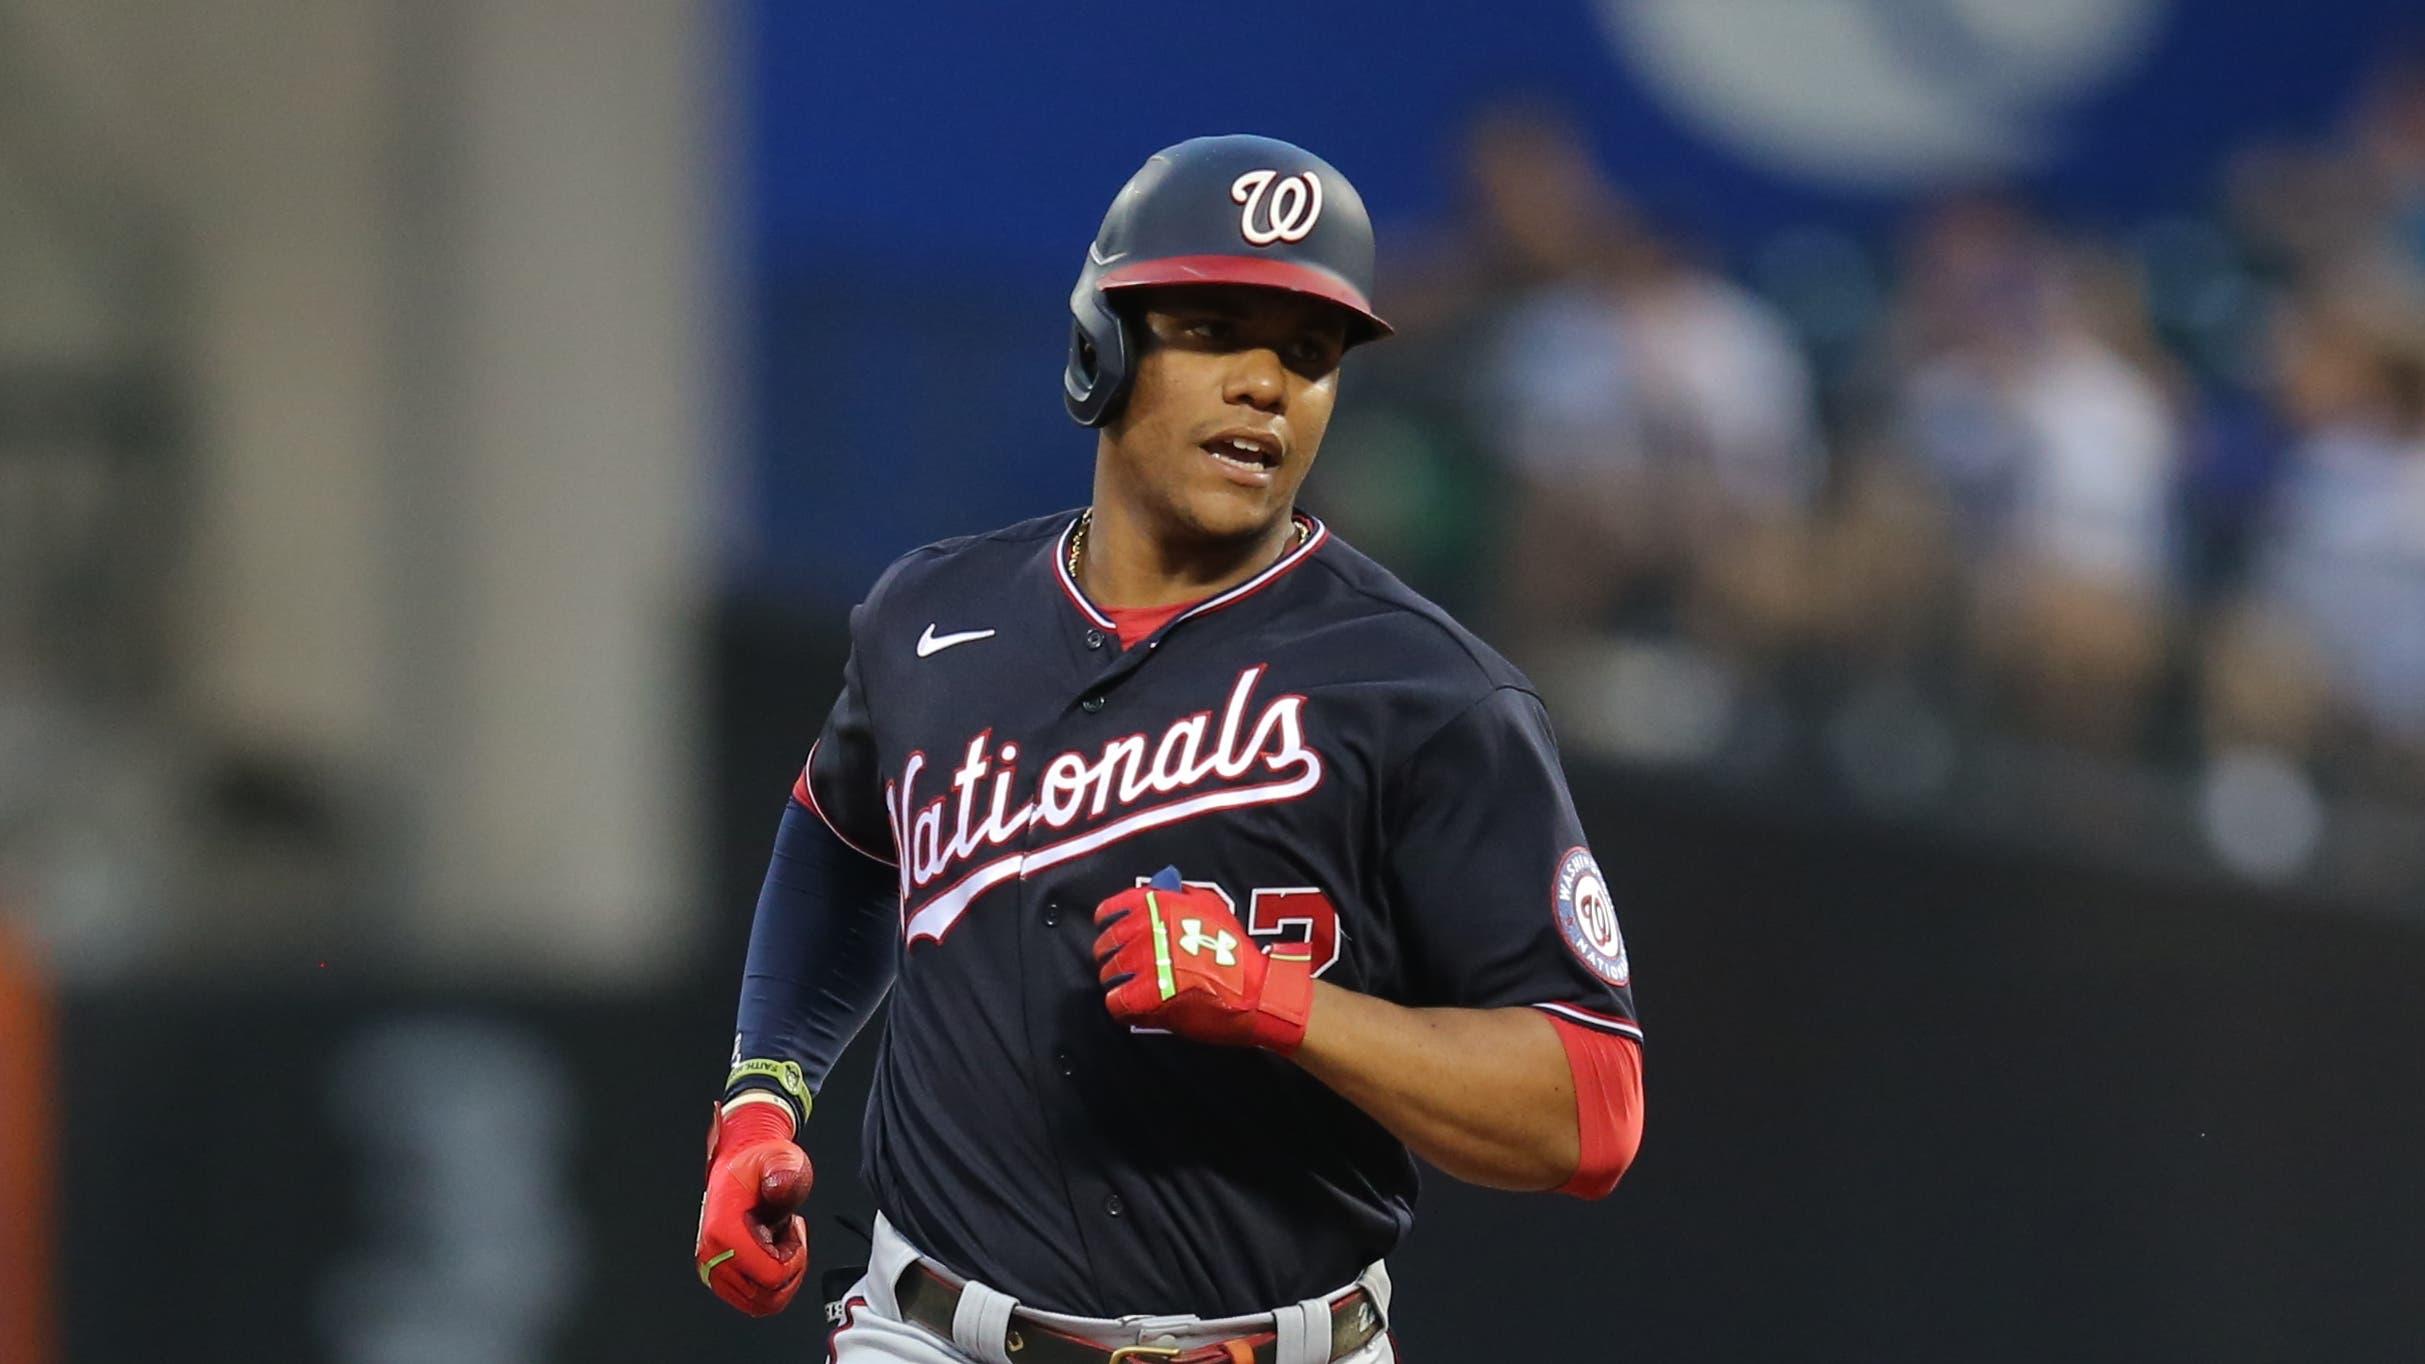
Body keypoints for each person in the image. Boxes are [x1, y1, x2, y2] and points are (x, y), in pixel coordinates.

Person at [694, 134, 1645, 1364]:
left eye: (1307, 355)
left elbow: (1592, 1106)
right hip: (931, 1331)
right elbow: (837, 844)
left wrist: (1280, 1002)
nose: (1266, 384)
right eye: (1214, 330)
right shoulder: (928, 618)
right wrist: (761, 1095)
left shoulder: (1429, 691)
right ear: (1104, 346)